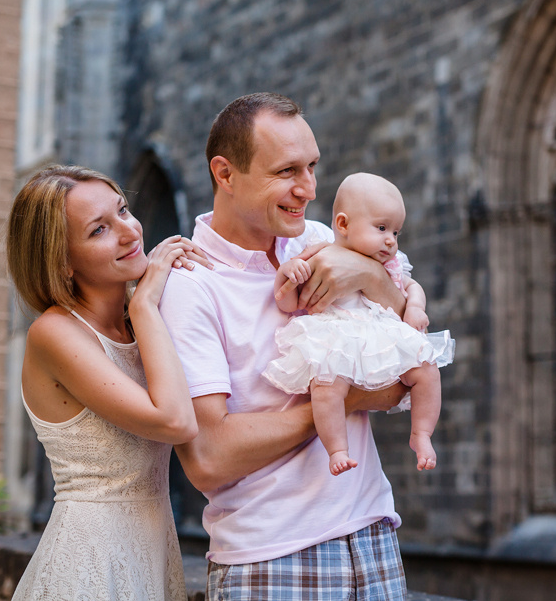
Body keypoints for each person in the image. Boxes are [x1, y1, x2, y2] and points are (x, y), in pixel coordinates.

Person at [160, 92, 411, 599]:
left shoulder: (323, 240)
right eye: (287, 171)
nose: (309, 189)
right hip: (271, 558)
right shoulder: (190, 287)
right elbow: (208, 457)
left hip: (374, 534)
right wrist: (346, 402)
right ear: (225, 174)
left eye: (313, 166)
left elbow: (409, 367)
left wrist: (366, 273)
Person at [5, 165, 209, 601]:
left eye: (123, 210)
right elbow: (175, 421)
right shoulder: (55, 333)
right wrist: (148, 305)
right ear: (62, 260)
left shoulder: (140, 319)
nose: (130, 231)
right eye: (99, 229)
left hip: (155, 549)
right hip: (88, 562)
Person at [262, 172, 452, 475]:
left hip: (380, 336)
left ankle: (422, 433)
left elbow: (412, 285)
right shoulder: (321, 253)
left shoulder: (389, 264)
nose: (390, 239)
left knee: (426, 367)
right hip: (337, 337)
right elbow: (289, 303)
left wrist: (415, 307)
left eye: (396, 231)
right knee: (327, 388)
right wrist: (288, 274)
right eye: (381, 227)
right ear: (343, 224)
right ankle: (337, 448)